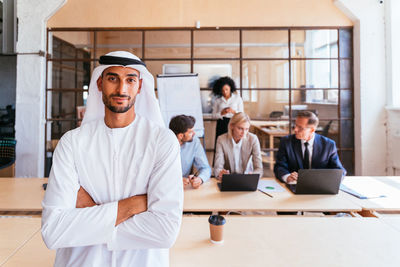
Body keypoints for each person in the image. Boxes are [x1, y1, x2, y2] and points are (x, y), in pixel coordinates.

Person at [41, 51, 183, 267]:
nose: (121, 89)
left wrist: (89, 217)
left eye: (130, 80)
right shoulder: (72, 143)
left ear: (140, 86)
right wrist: (132, 206)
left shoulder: (162, 141)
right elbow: (53, 231)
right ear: (99, 83)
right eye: (112, 78)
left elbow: (165, 231)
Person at [274, 111, 346, 184]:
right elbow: (279, 167)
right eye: (295, 125)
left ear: (312, 130)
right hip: (294, 185)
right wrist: (287, 177)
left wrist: (328, 181)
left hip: (320, 187)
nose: (295, 129)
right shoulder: (286, 142)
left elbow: (339, 171)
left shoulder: (328, 145)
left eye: (300, 128)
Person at [214, 112, 263, 179]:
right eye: (240, 128)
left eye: (247, 129)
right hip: (229, 179)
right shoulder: (221, 140)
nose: (244, 133)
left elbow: (259, 169)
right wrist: (220, 173)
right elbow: (217, 168)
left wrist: (253, 176)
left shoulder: (253, 139)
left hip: (247, 178)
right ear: (231, 126)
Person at [169, 115, 212, 189]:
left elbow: (205, 168)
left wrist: (200, 179)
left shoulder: (194, 141)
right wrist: (174, 181)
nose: (194, 134)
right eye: (191, 132)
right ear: (180, 136)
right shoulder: (164, 145)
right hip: (166, 188)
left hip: (185, 188)